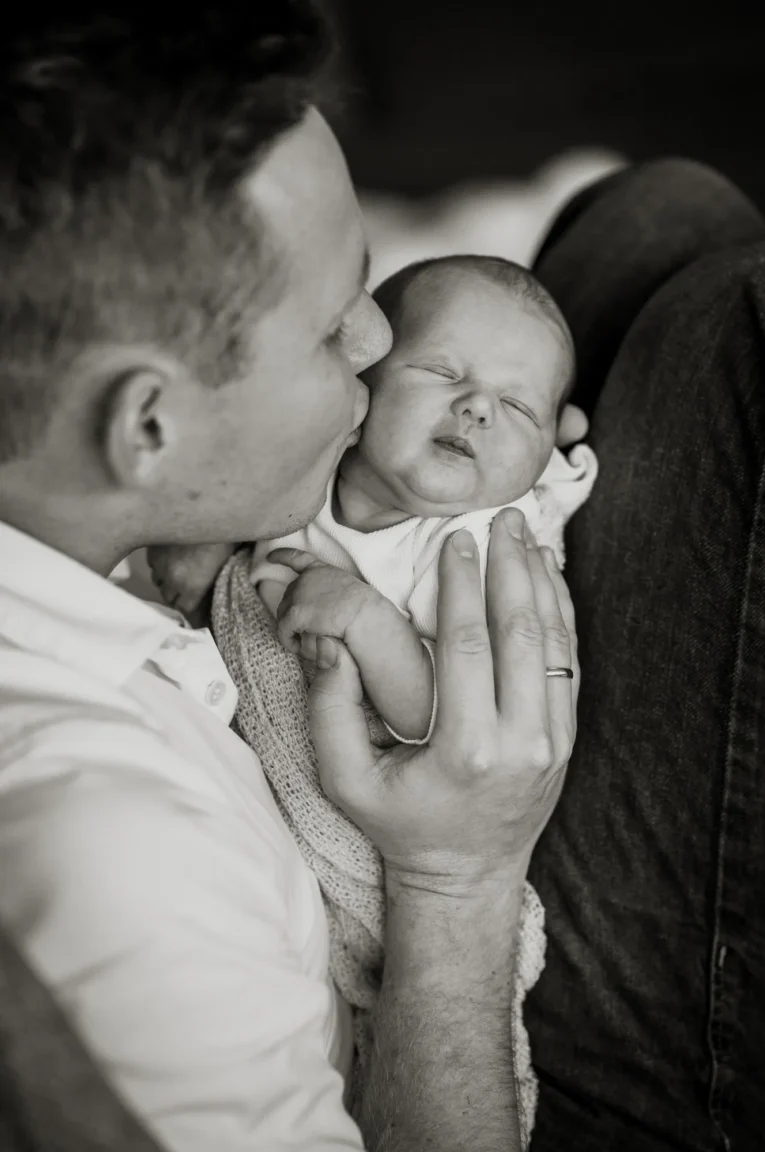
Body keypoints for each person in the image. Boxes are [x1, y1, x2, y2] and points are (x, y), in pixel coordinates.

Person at [0, 8, 578, 1152]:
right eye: (333, 330)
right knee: (722, 302)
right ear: (147, 425)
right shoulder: (122, 861)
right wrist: (459, 881)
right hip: (436, 984)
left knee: (649, 220)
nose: (378, 341)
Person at [150, 253, 597, 1144]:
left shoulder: (468, 547)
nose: (476, 408)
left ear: (549, 445)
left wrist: (369, 625)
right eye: (442, 373)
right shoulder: (303, 475)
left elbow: (462, 728)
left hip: (419, 849)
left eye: (518, 408)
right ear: (356, 393)